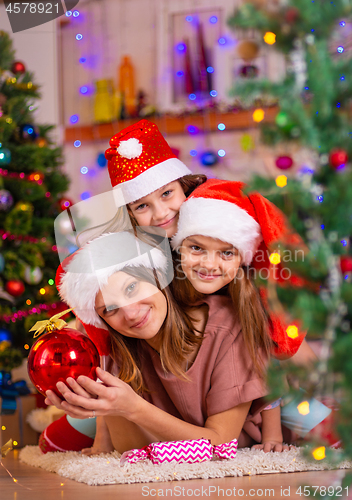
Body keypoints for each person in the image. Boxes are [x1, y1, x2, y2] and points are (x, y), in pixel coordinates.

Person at [45, 231, 272, 455]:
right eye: (110, 309)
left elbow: (220, 447)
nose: (131, 313)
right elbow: (130, 448)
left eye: (131, 288)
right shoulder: (120, 344)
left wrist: (133, 408)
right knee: (50, 442)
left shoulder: (228, 329)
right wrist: (109, 406)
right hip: (162, 424)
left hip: (246, 426)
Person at [170, 178, 318, 451]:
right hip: (203, 396)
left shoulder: (248, 297)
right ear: (179, 246)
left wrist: (273, 434)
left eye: (226, 253)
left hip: (262, 396)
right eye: (196, 248)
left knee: (324, 429)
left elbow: (266, 361)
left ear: (242, 258)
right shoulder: (168, 289)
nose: (209, 264)